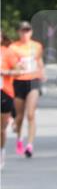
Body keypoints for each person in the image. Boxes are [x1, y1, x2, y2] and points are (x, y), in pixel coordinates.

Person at [10, 21, 45, 157]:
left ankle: (30, 145)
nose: (25, 33)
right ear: (19, 32)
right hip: (18, 81)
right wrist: (18, 66)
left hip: (33, 80)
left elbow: (39, 61)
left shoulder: (37, 46)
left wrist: (42, 72)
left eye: (28, 30)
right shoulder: (13, 47)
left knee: (31, 114)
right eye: (23, 30)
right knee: (19, 117)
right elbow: (11, 65)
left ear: (31, 32)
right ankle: (19, 139)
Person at [1, 33, 19, 168]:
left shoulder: (7, 52)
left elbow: (19, 70)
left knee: (1, 129)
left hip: (4, 92)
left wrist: (5, 73)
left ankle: (1, 151)